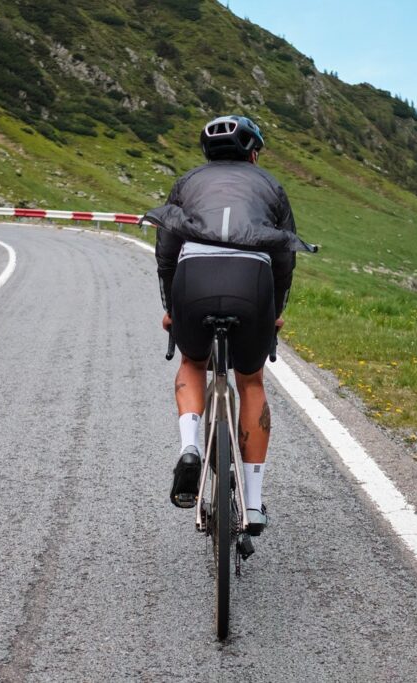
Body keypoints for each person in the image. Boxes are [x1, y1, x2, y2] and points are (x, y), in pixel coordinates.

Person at [143, 114, 314, 536]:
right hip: (251, 281)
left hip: (193, 280)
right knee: (251, 380)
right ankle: (253, 505)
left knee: (192, 362)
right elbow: (284, 254)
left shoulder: (186, 182)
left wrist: (172, 307)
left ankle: (189, 447)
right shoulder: (271, 185)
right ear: (252, 152)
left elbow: (167, 249)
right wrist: (274, 309)